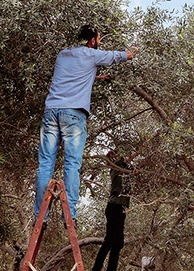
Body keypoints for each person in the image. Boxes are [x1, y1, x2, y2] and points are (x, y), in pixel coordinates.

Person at [34, 25, 137, 224]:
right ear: (92, 41)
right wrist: (132, 51)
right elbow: (122, 56)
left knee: (45, 165)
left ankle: (40, 216)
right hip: (73, 114)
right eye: (99, 39)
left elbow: (72, 76)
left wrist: (95, 77)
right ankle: (69, 216)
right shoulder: (92, 54)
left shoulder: (63, 55)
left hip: (51, 112)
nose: (99, 43)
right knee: (72, 164)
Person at [88, 150, 137, 271]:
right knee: (109, 241)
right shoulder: (116, 168)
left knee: (118, 243)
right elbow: (129, 157)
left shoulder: (123, 171)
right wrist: (142, 148)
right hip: (114, 207)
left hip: (120, 208)